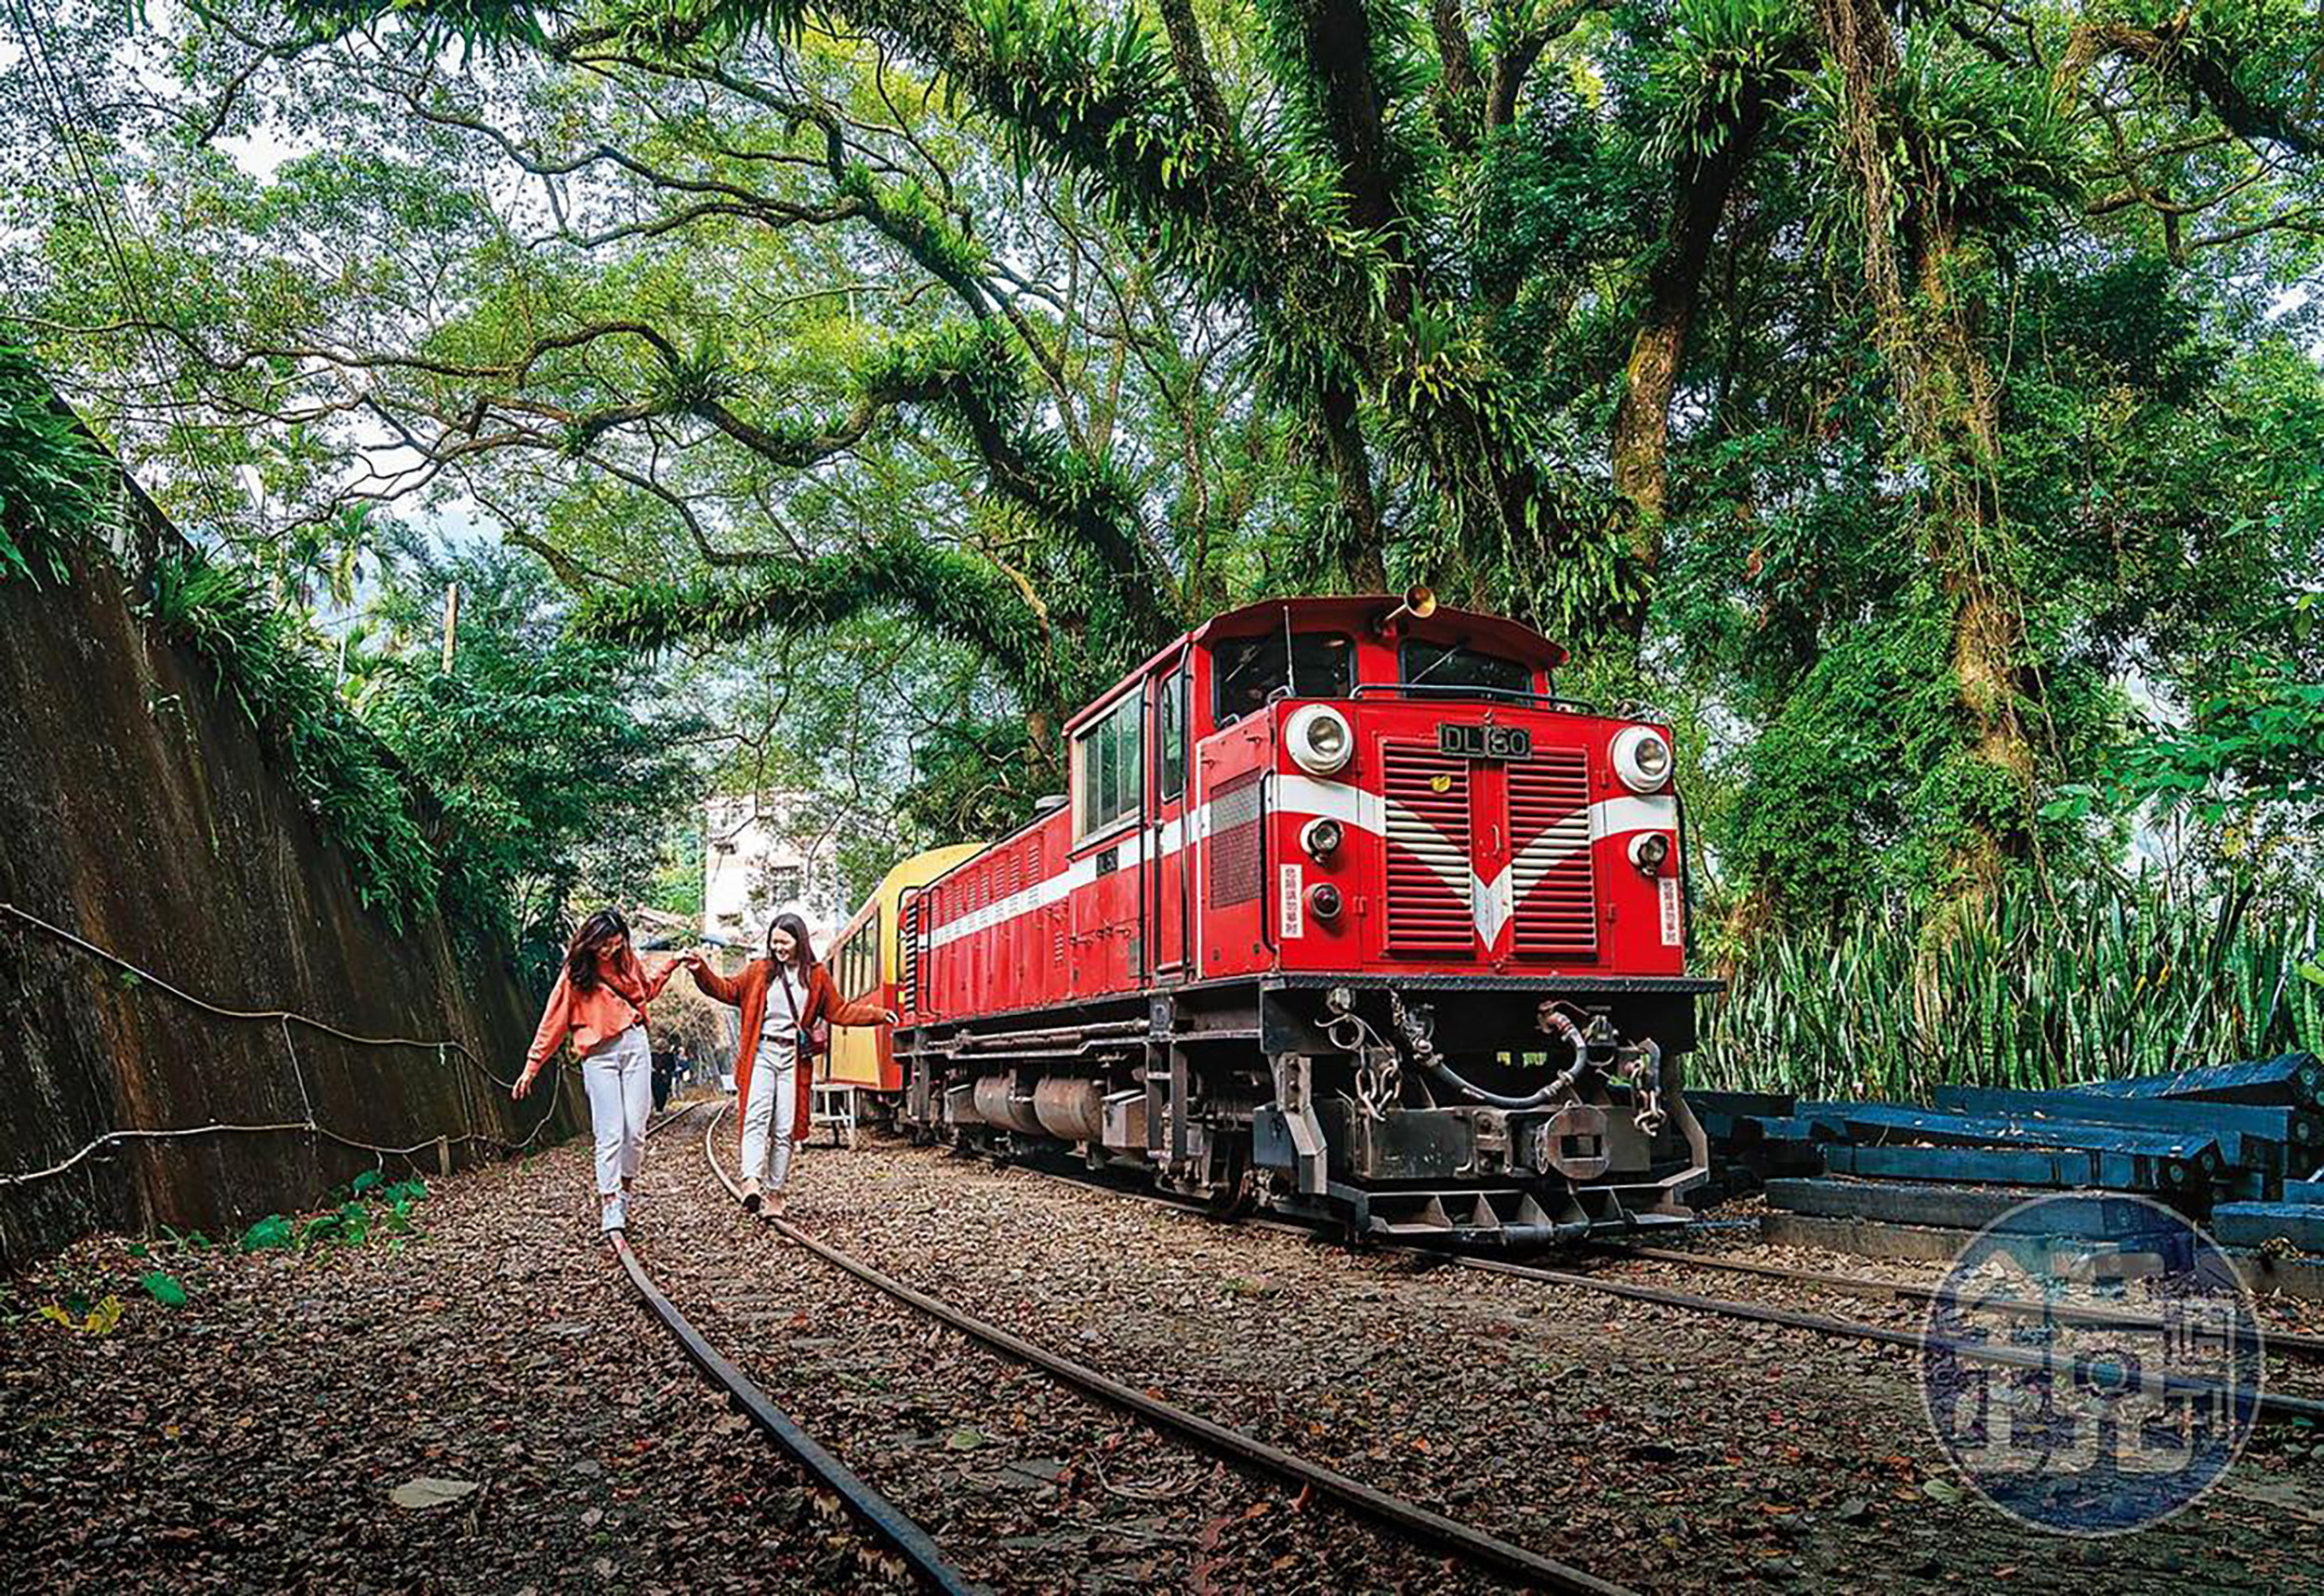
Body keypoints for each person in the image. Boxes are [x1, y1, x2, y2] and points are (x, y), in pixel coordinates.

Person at [685, 912, 893, 1216]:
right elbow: (726, 989)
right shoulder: (759, 971)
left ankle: (775, 1193)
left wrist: (877, 1014)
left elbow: (840, 1011)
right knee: (756, 1117)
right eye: (774, 942)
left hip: (793, 1059)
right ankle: (750, 1181)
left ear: (800, 941)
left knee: (784, 1129)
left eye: (784, 942)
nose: (778, 948)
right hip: (761, 1053)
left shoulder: (816, 976)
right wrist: (701, 970)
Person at [514, 910, 684, 1233]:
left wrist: (671, 964)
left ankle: (625, 1193)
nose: (610, 950)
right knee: (610, 1132)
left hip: (635, 1044)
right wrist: (532, 1065)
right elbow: (554, 1020)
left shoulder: (626, 960)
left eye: (617, 943)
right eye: (605, 945)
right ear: (590, 941)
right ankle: (610, 1203)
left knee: (635, 1130)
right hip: (598, 1055)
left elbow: (646, 990)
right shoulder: (575, 972)